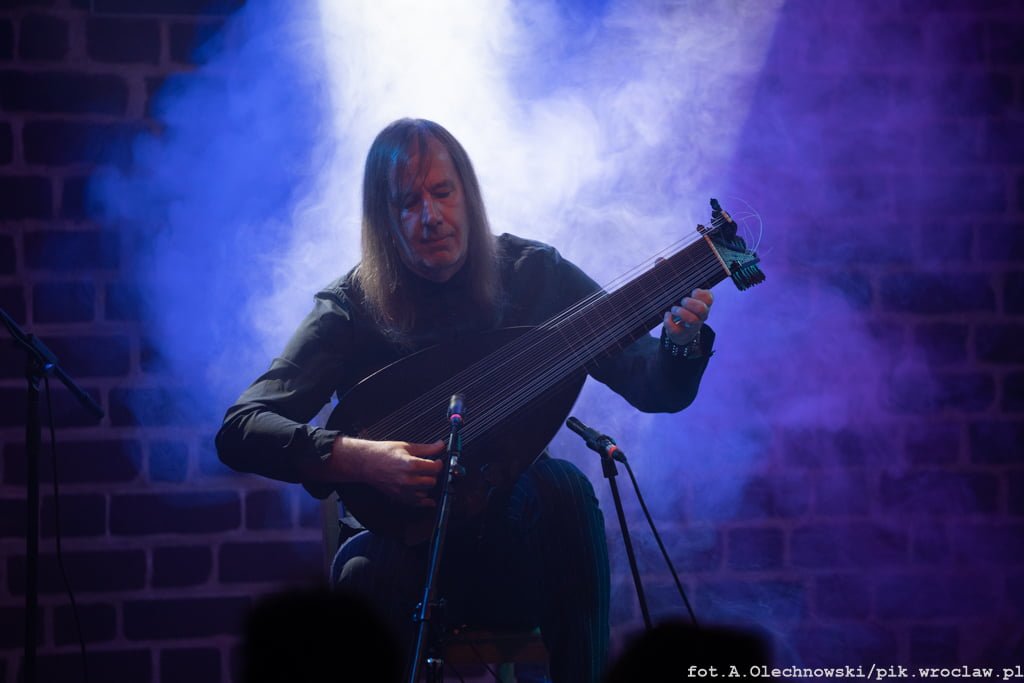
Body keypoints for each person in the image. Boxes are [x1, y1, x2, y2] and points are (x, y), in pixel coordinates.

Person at [216, 118, 716, 683]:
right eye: (408, 202)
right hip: (402, 552)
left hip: (511, 554)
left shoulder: (535, 274)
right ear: (383, 219)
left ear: (467, 195)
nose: (430, 216)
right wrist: (360, 459)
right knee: (360, 576)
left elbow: (649, 384)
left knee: (566, 489)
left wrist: (679, 345)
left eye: (442, 192)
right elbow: (242, 427)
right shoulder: (350, 307)